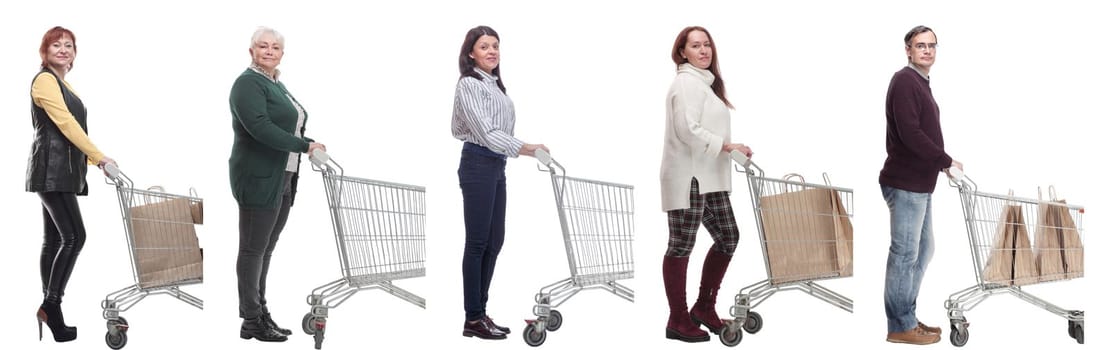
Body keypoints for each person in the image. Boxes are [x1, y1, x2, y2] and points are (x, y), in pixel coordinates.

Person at [452, 25, 549, 340]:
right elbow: (487, 133)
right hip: (478, 163)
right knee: (478, 243)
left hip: (496, 165)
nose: (492, 51)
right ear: (471, 53)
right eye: (484, 46)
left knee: (495, 242)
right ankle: (473, 317)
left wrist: (519, 149)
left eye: (495, 46)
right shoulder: (469, 83)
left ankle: (481, 313)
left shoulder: (494, 85)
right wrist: (528, 149)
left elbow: (495, 133)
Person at [229, 26, 326, 343]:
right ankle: (251, 319)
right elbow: (260, 128)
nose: (269, 51)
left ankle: (259, 313)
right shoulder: (247, 84)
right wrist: (303, 147)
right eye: (262, 46)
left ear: (281, 54)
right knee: (252, 250)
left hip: (284, 176)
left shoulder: (276, 84)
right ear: (251, 51)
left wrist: (310, 143)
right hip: (259, 177)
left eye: (275, 47)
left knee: (265, 250)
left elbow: (289, 128)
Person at [659, 26, 753, 343]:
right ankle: (678, 319)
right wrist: (726, 147)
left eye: (707, 45)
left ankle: (703, 307)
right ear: (682, 52)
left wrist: (729, 148)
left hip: (709, 177)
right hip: (689, 178)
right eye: (695, 46)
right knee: (681, 245)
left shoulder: (705, 85)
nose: (703, 51)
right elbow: (687, 129)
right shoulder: (686, 83)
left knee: (728, 237)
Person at [27, 25, 117, 343]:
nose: (63, 49)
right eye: (56, 45)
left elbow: (69, 125)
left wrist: (92, 162)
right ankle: (52, 306)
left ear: (74, 54)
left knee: (54, 241)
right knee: (75, 237)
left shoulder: (63, 84)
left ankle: (51, 308)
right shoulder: (44, 81)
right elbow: (66, 124)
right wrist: (100, 158)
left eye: (69, 45)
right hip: (52, 172)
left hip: (60, 171)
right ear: (45, 51)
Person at [880, 25, 961, 345]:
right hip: (905, 182)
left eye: (932, 45)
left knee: (923, 250)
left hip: (920, 184)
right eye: (920, 45)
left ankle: (907, 317)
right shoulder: (904, 80)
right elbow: (911, 133)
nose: (927, 50)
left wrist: (939, 164)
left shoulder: (921, 82)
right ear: (908, 50)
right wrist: (945, 159)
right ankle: (899, 324)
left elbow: (920, 131)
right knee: (904, 254)